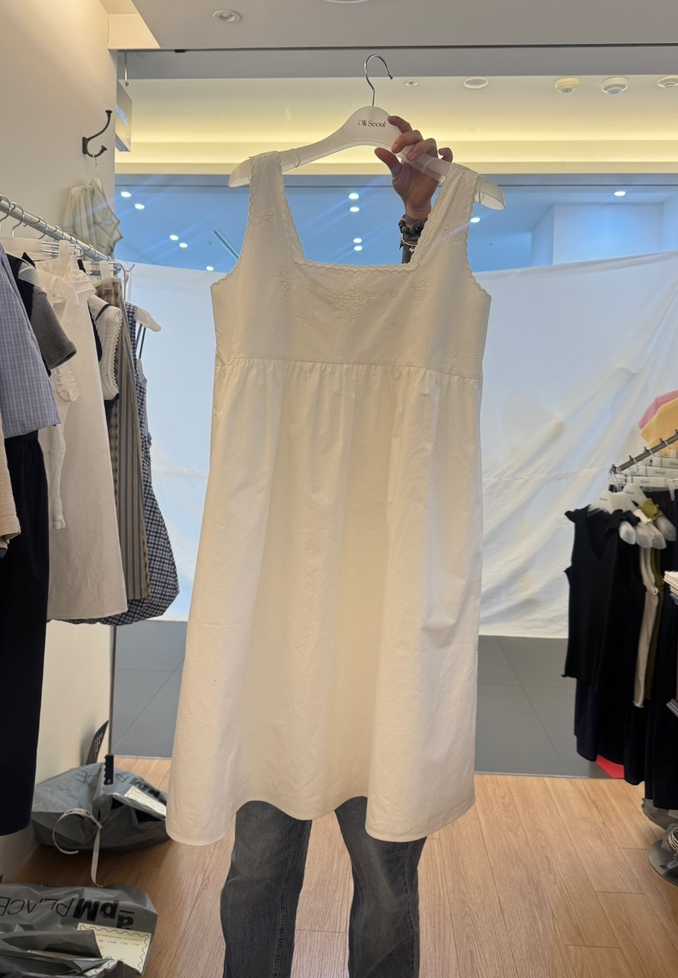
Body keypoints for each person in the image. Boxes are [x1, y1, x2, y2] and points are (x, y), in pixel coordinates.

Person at [220, 119, 457, 978]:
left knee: (388, 877)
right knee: (256, 869)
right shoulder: (261, 267)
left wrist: (424, 220)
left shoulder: (428, 298)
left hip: (386, 629)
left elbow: (424, 316)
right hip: (272, 633)